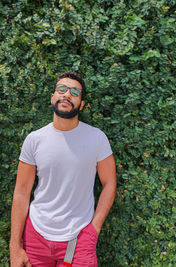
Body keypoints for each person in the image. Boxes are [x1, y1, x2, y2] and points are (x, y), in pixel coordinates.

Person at [9, 71, 117, 267]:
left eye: (75, 92)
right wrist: (15, 247)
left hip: (79, 238)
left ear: (81, 104)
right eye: (62, 89)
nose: (67, 94)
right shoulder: (34, 140)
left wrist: (94, 229)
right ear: (53, 97)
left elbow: (109, 183)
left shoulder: (96, 138)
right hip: (36, 237)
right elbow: (21, 193)